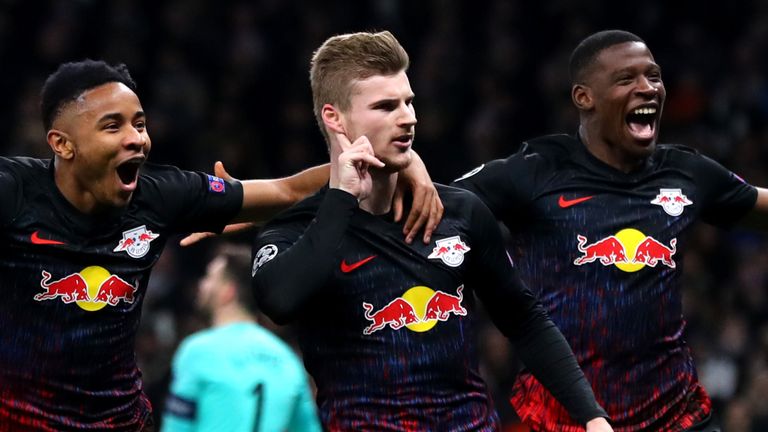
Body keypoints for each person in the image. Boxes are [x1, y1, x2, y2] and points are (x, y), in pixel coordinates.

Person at [0, 59, 440, 430]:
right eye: (112, 126)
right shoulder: (14, 193)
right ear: (62, 144)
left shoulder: (161, 196)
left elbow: (284, 192)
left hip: (119, 422)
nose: (137, 138)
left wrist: (402, 163)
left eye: (139, 123)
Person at [251, 30, 612, 431]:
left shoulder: (457, 212)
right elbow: (279, 301)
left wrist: (592, 416)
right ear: (334, 118)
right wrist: (341, 199)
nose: (408, 117)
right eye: (386, 106)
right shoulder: (296, 230)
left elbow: (524, 318)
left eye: (408, 102)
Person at [452, 29, 767, 432]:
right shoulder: (535, 172)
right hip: (566, 421)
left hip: (676, 417)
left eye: (653, 76)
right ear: (584, 97)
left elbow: (758, 207)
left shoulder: (685, 173)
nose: (647, 88)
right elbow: (441, 206)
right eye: (626, 79)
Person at [161, 244, 321, 432]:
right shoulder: (287, 359)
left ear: (228, 292)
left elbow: (176, 428)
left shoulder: (197, 351)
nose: (202, 284)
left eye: (209, 277)